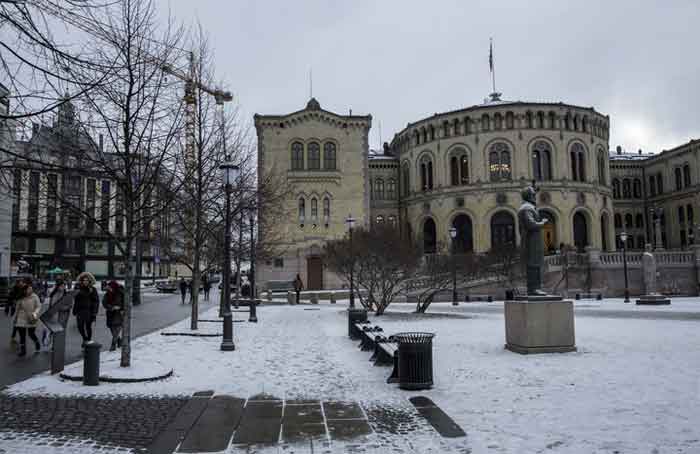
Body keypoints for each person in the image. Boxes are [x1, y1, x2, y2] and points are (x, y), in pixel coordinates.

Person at [14, 278, 41, 357]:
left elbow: (38, 306)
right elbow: (17, 309)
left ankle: (37, 343)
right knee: (22, 336)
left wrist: (35, 314)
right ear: (25, 290)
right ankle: (23, 350)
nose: (30, 290)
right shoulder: (21, 297)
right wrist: (15, 318)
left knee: (31, 334)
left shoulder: (35, 296)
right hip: (21, 318)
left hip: (32, 317)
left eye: (31, 289)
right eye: (28, 289)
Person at [72, 272, 99, 345]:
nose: (85, 282)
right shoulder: (78, 288)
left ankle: (88, 340)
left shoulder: (92, 289)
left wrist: (94, 312)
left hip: (89, 311)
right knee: (80, 326)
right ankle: (84, 338)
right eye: (84, 280)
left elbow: (96, 301)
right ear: (81, 281)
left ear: (89, 281)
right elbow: (75, 299)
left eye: (87, 280)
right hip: (80, 311)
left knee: (88, 326)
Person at [102, 281, 124, 351]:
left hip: (119, 314)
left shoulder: (121, 293)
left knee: (117, 329)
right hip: (110, 314)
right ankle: (119, 341)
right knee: (112, 329)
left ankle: (113, 344)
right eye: (109, 288)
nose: (109, 289)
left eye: (111, 287)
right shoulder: (107, 294)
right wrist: (111, 307)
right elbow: (104, 303)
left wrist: (121, 308)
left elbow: (125, 302)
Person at [6, 279, 28, 349]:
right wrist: (7, 308)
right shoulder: (14, 290)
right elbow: (10, 299)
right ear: (17, 284)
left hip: (20, 309)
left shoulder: (21, 290)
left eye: (22, 283)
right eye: (20, 283)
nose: (21, 284)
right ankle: (15, 339)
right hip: (15, 309)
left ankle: (13, 338)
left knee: (16, 325)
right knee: (17, 325)